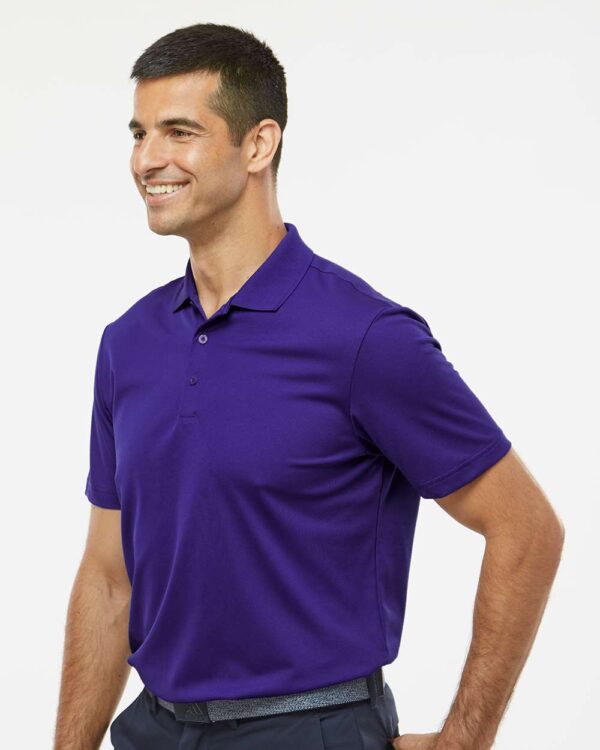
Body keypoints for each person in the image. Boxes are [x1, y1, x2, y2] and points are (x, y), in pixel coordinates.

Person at [53, 22, 565, 750]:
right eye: (139, 134)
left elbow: (527, 528)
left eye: (179, 132)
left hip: (310, 730)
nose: (147, 159)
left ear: (258, 145)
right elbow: (108, 579)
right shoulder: (127, 345)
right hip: (154, 728)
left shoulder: (364, 337)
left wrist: (464, 740)